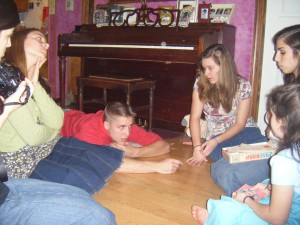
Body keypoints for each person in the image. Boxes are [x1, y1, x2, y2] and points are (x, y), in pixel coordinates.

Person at [0, 0, 116, 224]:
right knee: (81, 169)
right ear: (17, 43)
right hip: (21, 159)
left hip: (33, 152)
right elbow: (37, 134)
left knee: (89, 153)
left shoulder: (25, 80)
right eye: (6, 37)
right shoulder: (8, 80)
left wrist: (34, 83)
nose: (46, 44)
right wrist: (52, 131)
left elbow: (58, 117)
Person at [191, 84, 300, 225]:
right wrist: (268, 187)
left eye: (271, 115)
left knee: (226, 212)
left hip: (290, 218)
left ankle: (213, 220)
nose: (268, 118)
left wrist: (246, 200)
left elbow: (277, 219)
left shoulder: (283, 161)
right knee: (259, 190)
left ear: (282, 122)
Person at [211, 25, 300, 196]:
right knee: (219, 166)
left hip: (290, 159)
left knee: (229, 174)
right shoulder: (291, 86)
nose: (276, 58)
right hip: (280, 150)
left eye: (282, 52)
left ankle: (269, 194)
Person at [187, 44, 266, 166]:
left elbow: (240, 123)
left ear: (224, 67)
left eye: (210, 68)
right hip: (217, 135)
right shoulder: (200, 83)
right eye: (204, 68)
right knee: (224, 156)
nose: (206, 73)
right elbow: (195, 117)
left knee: (261, 149)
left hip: (243, 129)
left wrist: (215, 141)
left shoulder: (243, 85)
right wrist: (197, 148)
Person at [61, 101, 182, 174]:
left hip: (78, 114)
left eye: (129, 126)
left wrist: (136, 152)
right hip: (59, 119)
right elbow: (108, 163)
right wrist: (157, 166)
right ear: (106, 125)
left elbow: (164, 146)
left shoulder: (123, 124)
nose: (127, 133)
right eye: (122, 127)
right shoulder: (89, 132)